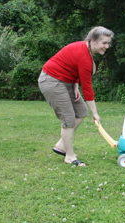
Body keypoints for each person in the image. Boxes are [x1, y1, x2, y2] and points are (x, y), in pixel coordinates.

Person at [38, 26, 114, 167]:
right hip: (52, 81)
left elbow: (72, 66)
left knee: (81, 112)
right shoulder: (84, 56)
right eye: (104, 43)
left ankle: (61, 145)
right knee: (68, 119)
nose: (107, 46)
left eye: (108, 43)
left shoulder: (86, 51)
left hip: (66, 82)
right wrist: (95, 113)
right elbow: (88, 88)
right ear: (93, 41)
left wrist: (74, 85)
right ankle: (70, 156)